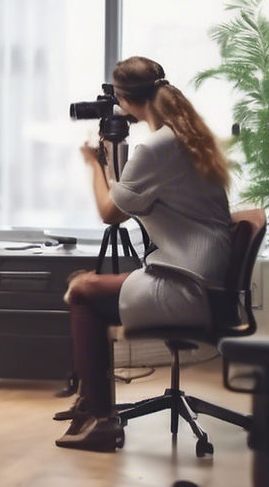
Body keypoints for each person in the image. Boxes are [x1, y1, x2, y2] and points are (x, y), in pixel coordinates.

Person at [55, 56, 231, 452]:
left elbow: (109, 212)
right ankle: (90, 403)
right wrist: (110, 164)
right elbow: (126, 198)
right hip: (205, 277)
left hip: (187, 284)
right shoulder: (185, 136)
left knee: (82, 292)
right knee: (82, 283)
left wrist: (93, 164)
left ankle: (99, 418)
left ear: (123, 100)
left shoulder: (155, 148)